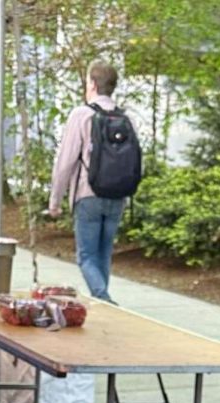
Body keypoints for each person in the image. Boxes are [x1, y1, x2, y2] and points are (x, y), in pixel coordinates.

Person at [48, 61, 132, 303]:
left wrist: (55, 200)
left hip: (88, 194)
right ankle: (103, 306)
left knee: (86, 257)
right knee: (103, 254)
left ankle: (104, 299)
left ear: (93, 84)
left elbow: (65, 161)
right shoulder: (125, 117)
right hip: (117, 196)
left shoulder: (82, 114)